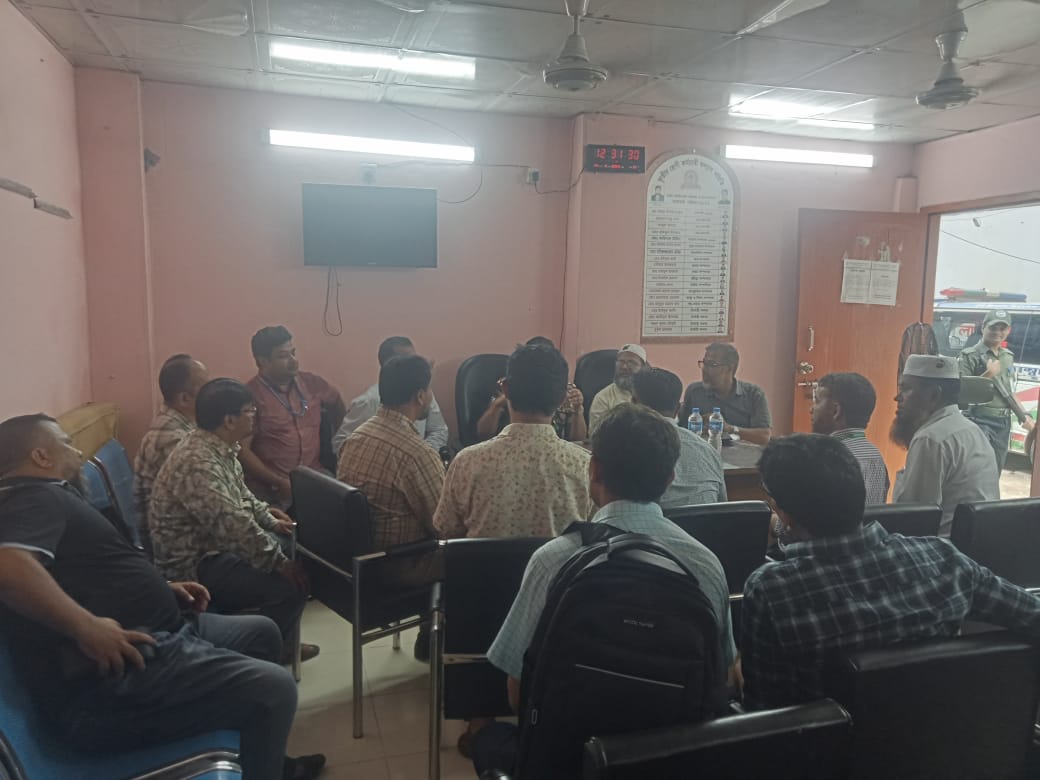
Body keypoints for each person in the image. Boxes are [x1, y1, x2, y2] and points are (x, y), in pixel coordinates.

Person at [0, 414, 325, 780]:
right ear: (40, 456)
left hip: (156, 633)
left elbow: (84, 575)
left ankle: (267, 761)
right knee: (275, 689)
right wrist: (86, 627)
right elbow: (9, 566)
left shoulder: (47, 496)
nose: (77, 453)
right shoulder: (31, 498)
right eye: (66, 444)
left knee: (261, 632)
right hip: (112, 683)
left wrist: (162, 589)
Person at [473, 404, 737, 774]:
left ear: (593, 470)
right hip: (671, 763)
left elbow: (518, 694)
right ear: (669, 478)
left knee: (486, 738)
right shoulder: (704, 565)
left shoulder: (553, 560)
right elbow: (723, 676)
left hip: (568, 761)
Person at [741, 433, 1040, 711]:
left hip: (830, 750)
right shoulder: (944, 560)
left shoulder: (771, 591)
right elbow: (1032, 613)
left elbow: (765, 714)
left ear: (785, 514)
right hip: (948, 741)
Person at [149, 379, 315, 658]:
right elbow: (232, 523)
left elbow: (242, 496)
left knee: (293, 545)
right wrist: (278, 563)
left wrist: (270, 520)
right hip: (194, 565)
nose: (254, 416)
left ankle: (278, 641)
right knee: (290, 584)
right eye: (249, 411)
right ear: (229, 420)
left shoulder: (219, 447)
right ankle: (263, 651)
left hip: (214, 548)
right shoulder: (198, 462)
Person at [434, 344, 593, 539]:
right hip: (559, 561)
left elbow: (445, 529)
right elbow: (596, 533)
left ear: (506, 389)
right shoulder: (585, 466)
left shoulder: (466, 462)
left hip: (482, 561)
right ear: (562, 399)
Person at [337, 354, 445, 556]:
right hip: (404, 563)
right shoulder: (417, 454)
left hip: (360, 560)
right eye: (429, 389)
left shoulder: (356, 437)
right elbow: (443, 527)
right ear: (420, 396)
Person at [891, 355, 999, 535]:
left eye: (906, 389)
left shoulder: (930, 439)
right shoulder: (971, 430)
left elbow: (913, 521)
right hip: (977, 544)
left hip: (944, 547)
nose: (897, 398)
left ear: (934, 395)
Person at [241, 326, 346, 505]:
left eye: (293, 353)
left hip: (315, 475)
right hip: (273, 486)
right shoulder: (250, 396)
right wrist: (278, 482)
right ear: (262, 361)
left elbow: (336, 403)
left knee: (350, 504)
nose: (293, 361)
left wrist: (338, 441)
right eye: (283, 356)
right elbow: (242, 451)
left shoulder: (311, 383)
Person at [133, 354, 210, 557]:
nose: (213, 395)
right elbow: (206, 503)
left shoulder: (183, 425)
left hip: (186, 533)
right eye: (206, 388)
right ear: (185, 399)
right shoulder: (172, 438)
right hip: (179, 550)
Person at [332, 336, 449, 456]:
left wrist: (420, 454)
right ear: (389, 365)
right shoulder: (369, 402)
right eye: (407, 361)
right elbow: (340, 444)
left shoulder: (423, 392)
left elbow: (439, 430)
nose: (414, 365)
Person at [631, 367, 727, 507]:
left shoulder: (626, 448)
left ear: (633, 404)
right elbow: (723, 507)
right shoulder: (709, 451)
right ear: (678, 409)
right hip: (707, 522)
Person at [958, 310, 1035, 473]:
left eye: (1002, 328)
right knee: (977, 470)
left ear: (1009, 331)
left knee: (996, 469)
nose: (997, 332)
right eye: (993, 327)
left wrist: (1024, 414)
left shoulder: (1007, 356)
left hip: (1003, 423)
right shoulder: (969, 356)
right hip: (979, 420)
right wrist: (988, 375)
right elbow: (963, 393)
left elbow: (1009, 391)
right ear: (983, 328)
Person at [476, 337, 587, 443]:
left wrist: (578, 409)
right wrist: (497, 404)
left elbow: (577, 440)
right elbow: (483, 434)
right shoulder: (509, 387)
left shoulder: (562, 391)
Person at [809, 372, 889, 504]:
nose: (811, 410)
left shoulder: (824, 457)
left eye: (817, 401)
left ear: (836, 411)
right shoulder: (876, 457)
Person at [679, 343, 771, 445]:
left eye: (712, 364)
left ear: (730, 368)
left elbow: (764, 437)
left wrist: (730, 429)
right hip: (706, 452)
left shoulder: (753, 394)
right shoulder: (694, 392)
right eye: (704, 363)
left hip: (744, 454)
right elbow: (681, 431)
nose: (704, 369)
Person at [587, 344, 647, 435]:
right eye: (621, 362)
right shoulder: (603, 397)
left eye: (631, 362)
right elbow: (595, 434)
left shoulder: (650, 394)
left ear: (643, 367)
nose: (624, 367)